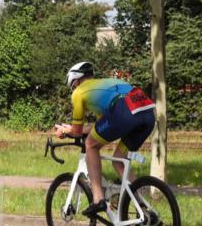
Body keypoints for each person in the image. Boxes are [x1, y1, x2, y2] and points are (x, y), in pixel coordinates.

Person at [53, 62, 155, 217]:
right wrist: (72, 129)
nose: (73, 90)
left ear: (76, 82)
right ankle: (144, 210)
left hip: (123, 111)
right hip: (146, 112)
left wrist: (65, 130)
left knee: (90, 145)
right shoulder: (105, 86)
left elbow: (77, 131)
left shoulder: (78, 93)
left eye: (72, 87)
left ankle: (98, 199)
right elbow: (100, 127)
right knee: (119, 161)